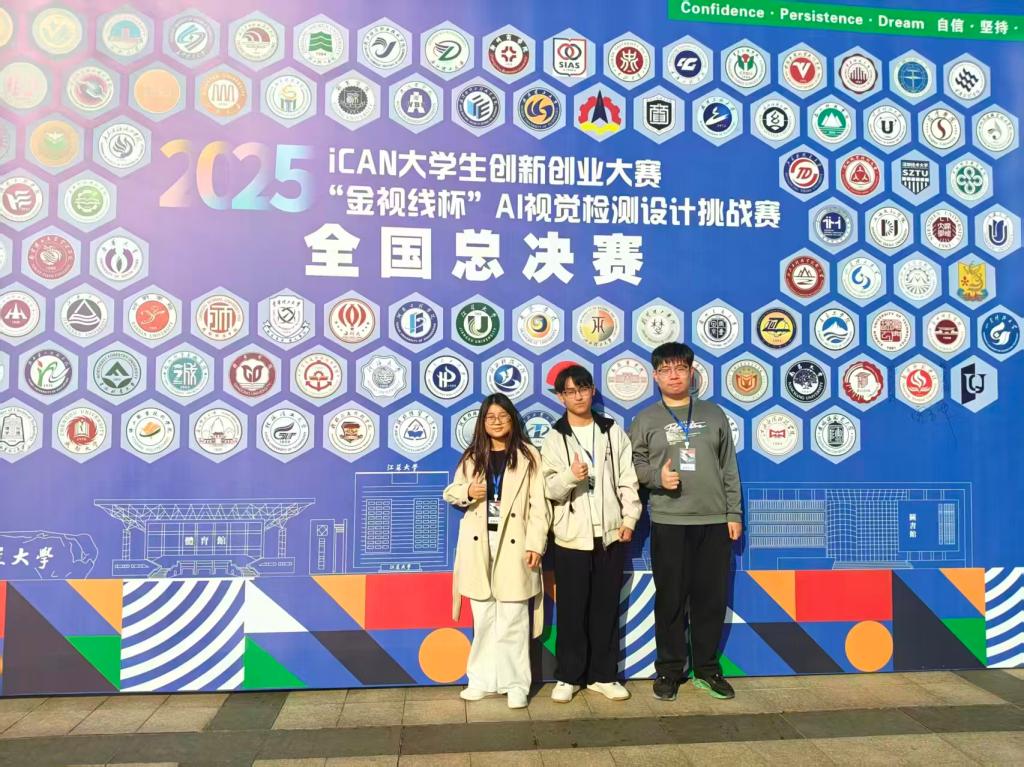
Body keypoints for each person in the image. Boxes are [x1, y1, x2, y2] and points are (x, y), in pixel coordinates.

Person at [628, 342, 742, 702]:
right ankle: (669, 670)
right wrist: (657, 478)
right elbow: (632, 466)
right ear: (655, 376)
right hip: (669, 520)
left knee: (710, 600)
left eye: (680, 368)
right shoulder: (646, 419)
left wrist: (734, 513)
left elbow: (728, 466)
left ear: (691, 373)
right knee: (671, 600)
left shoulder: (714, 413)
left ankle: (707, 669)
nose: (673, 375)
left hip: (713, 521)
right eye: (665, 370)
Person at [541, 364, 642, 703]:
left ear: (592, 391)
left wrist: (629, 518)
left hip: (610, 536)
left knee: (605, 608)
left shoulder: (612, 431)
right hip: (571, 537)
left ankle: (603, 675)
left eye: (583, 389)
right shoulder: (554, 437)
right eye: (570, 391)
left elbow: (627, 479)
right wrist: (571, 476)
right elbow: (549, 489)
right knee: (571, 610)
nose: (578, 396)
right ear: (561, 397)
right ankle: (568, 676)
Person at [444, 393, 551, 708]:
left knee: (513, 617)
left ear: (512, 419)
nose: (497, 421)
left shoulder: (529, 456)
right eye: (490, 417)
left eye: (503, 416)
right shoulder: (472, 456)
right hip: (479, 544)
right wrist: (468, 491)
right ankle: (480, 680)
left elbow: (539, 506)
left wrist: (536, 544)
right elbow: (451, 492)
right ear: (483, 422)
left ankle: (515, 684)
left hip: (515, 543)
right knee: (483, 617)